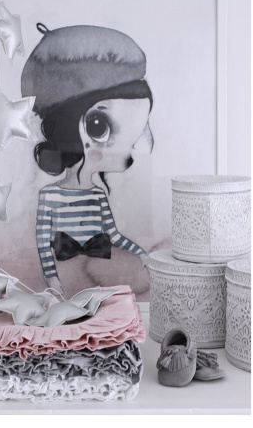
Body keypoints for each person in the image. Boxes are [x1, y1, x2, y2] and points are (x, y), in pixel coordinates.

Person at [21, 23, 154, 293]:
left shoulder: (97, 196)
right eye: (101, 126)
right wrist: (51, 277)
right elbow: (43, 242)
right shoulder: (49, 197)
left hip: (97, 278)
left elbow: (113, 235)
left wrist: (142, 253)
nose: (137, 145)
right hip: (64, 279)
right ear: (90, 127)